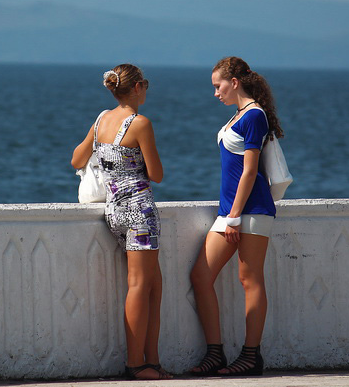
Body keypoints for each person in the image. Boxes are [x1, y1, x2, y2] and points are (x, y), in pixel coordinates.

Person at [71, 64, 170, 380]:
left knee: (154, 285)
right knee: (140, 286)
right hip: (139, 211)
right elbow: (156, 174)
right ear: (138, 87)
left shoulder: (101, 119)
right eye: (146, 84)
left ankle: (153, 361)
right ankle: (135, 364)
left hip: (114, 212)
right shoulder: (140, 123)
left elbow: (76, 160)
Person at [189, 56, 284, 377]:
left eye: (218, 86)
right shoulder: (240, 115)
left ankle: (251, 356)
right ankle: (215, 353)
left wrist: (234, 217)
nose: (215, 93)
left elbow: (250, 171)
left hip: (251, 210)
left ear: (234, 82)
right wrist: (229, 215)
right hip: (231, 211)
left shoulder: (254, 115)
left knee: (250, 279)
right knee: (200, 277)